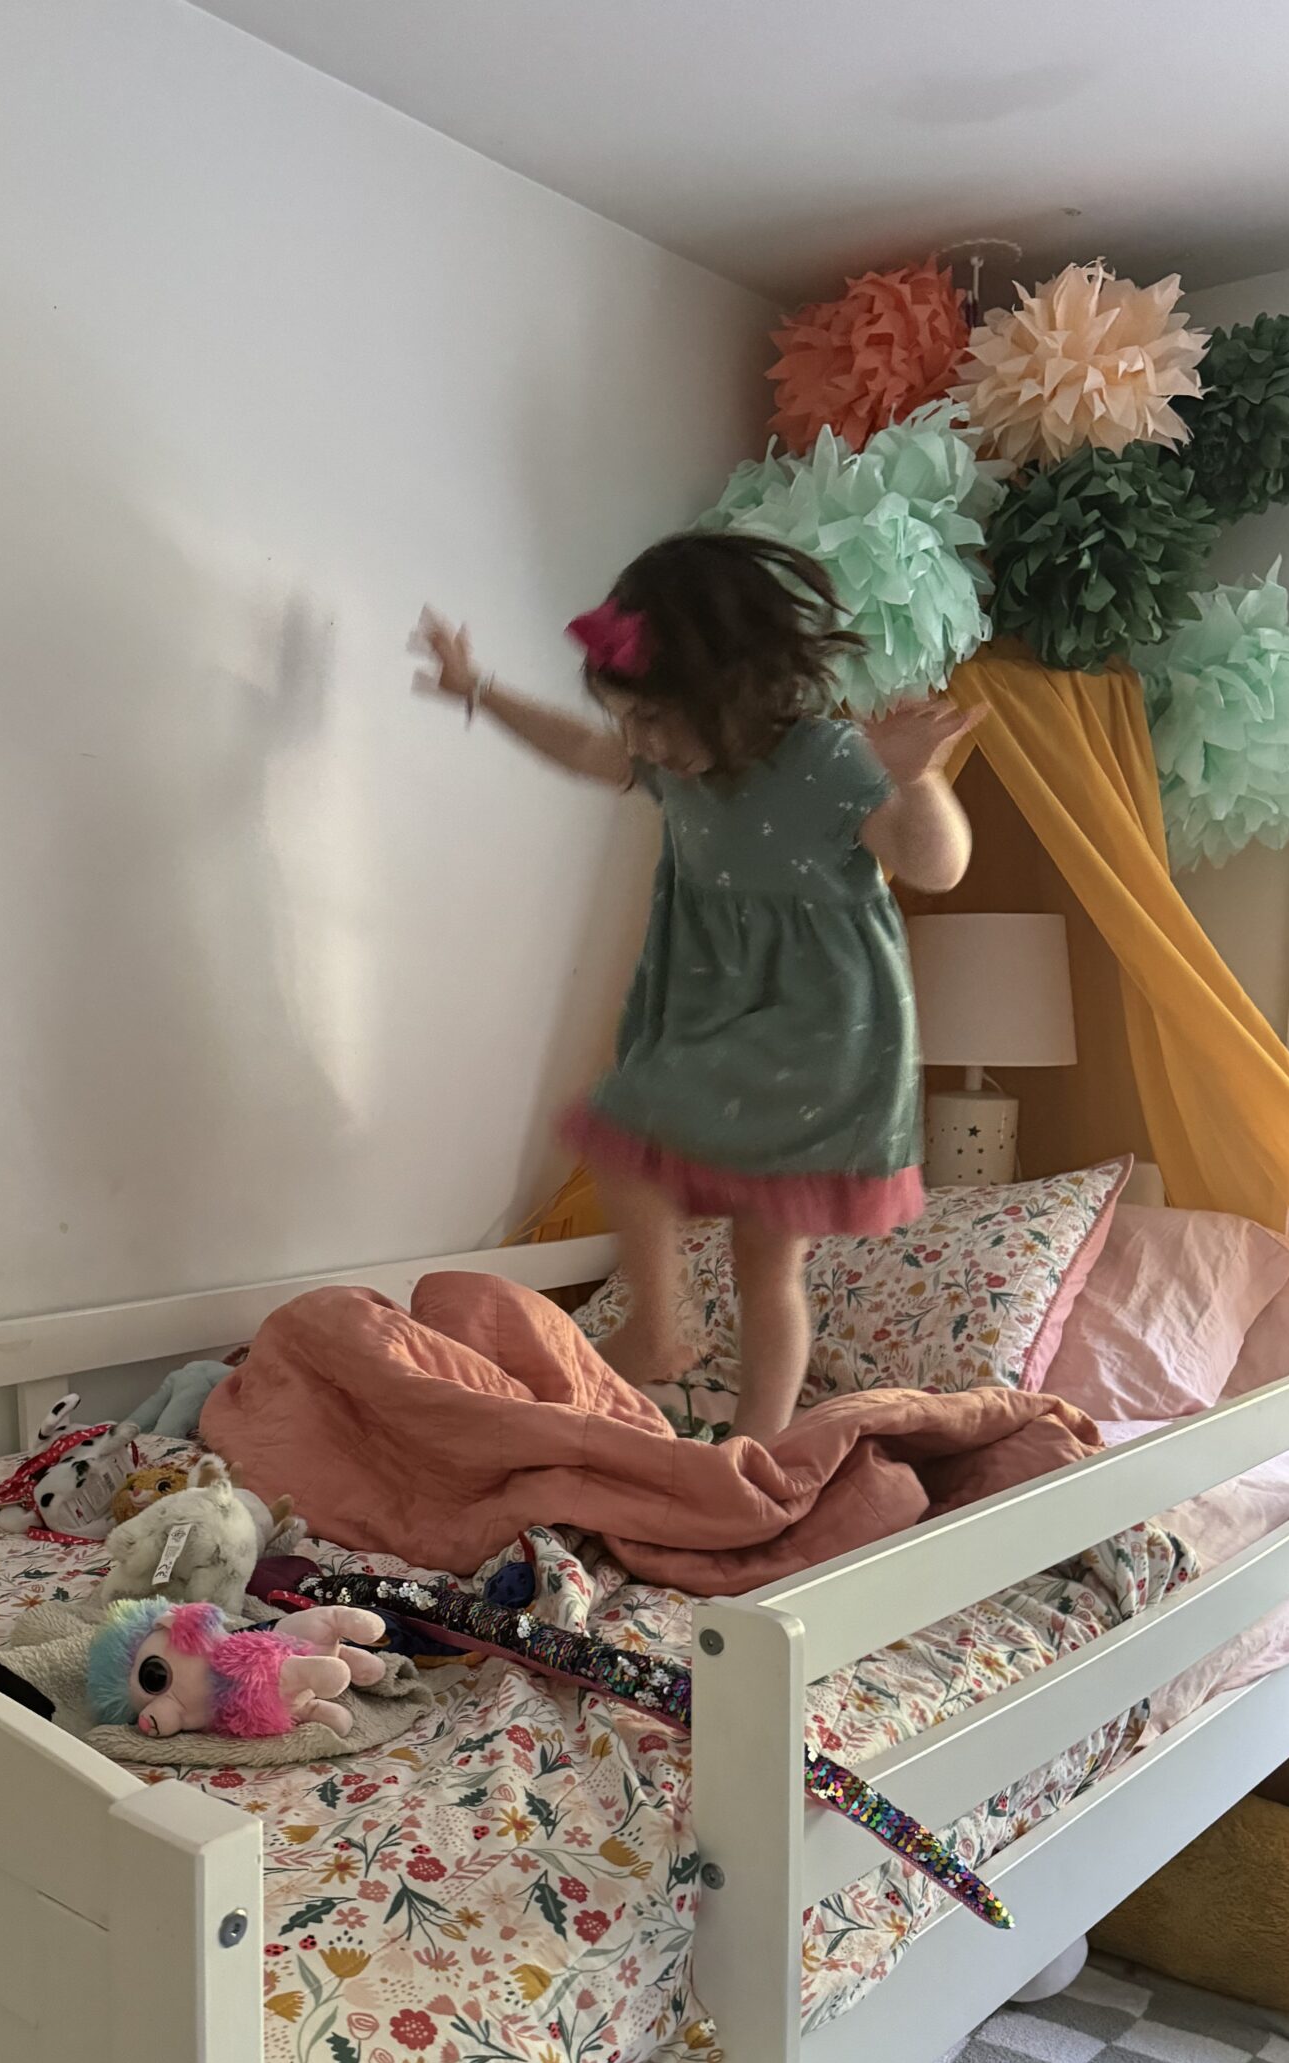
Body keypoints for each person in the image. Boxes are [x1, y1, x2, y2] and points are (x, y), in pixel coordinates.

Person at [414, 530, 980, 1441]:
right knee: (739, 1238)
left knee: (634, 1133)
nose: (641, 744)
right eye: (631, 721)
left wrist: (915, 781)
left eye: (654, 719)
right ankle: (743, 1430)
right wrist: (478, 689)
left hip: (815, 1025)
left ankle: (680, 1354)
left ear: (733, 690)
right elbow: (582, 748)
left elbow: (936, 866)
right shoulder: (676, 763)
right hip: (717, 1003)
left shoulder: (831, 760)